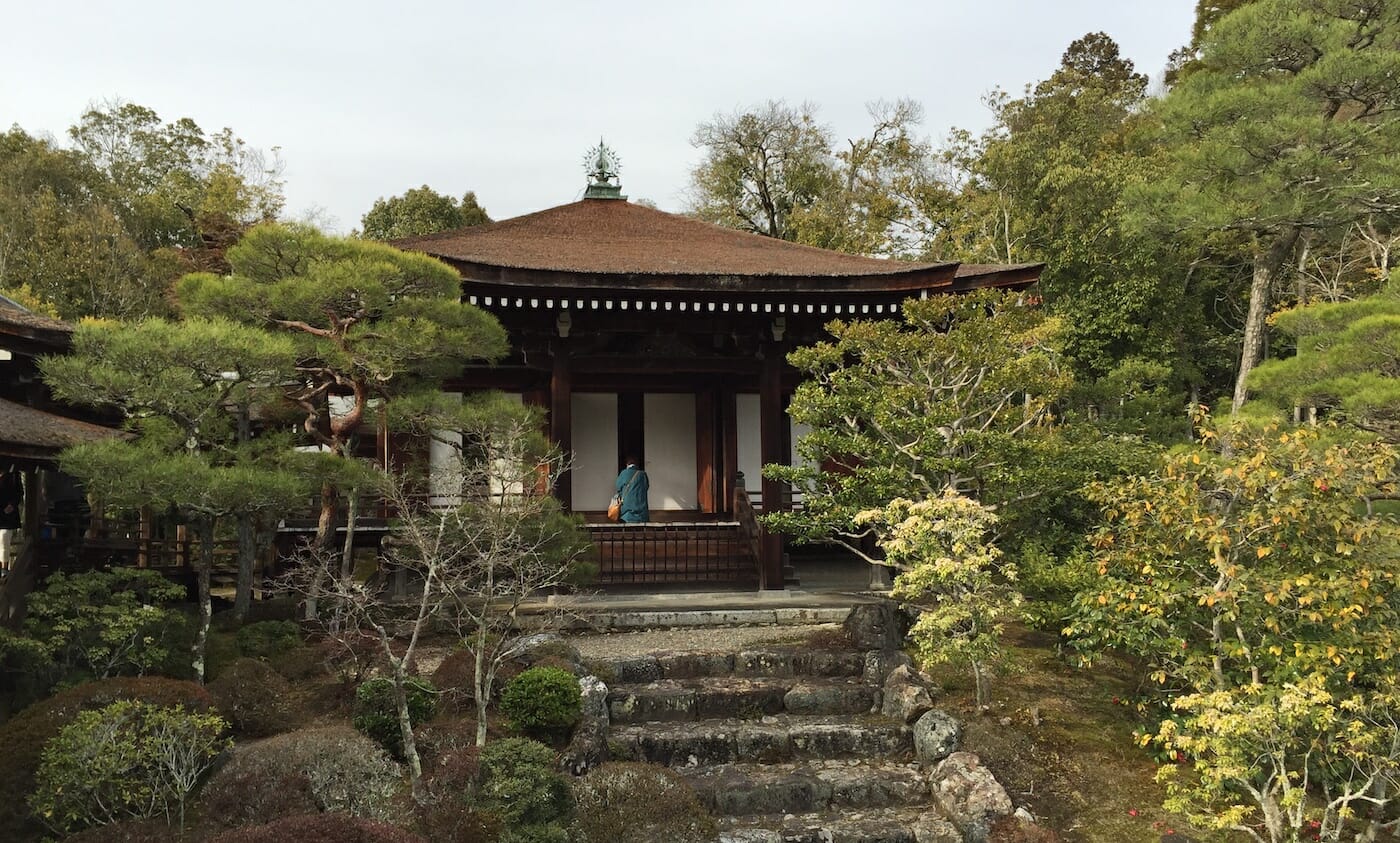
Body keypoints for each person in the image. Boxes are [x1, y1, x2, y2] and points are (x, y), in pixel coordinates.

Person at [614, 457, 649, 523]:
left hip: (627, 513)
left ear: (627, 464)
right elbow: (646, 487)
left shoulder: (623, 473)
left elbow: (618, 487)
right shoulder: (643, 474)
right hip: (642, 513)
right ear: (637, 465)